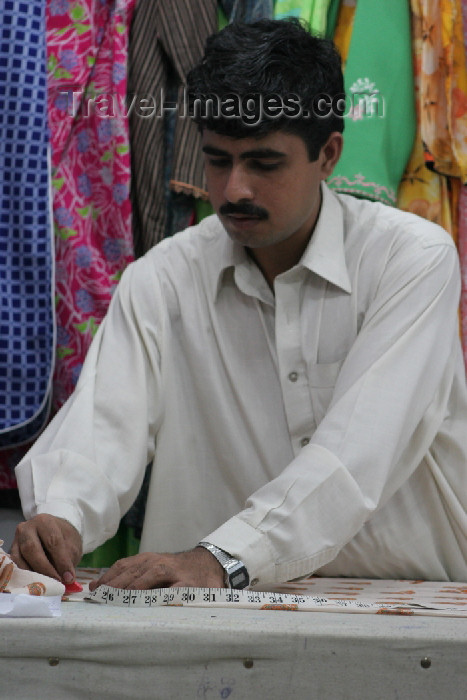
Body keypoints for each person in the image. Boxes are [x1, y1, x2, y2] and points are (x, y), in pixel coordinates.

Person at [10, 19, 467, 591]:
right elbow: (103, 428)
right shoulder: (162, 279)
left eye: (264, 163)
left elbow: (358, 452)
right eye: (217, 159)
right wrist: (62, 515)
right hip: (212, 626)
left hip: (415, 614)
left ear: (328, 155)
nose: (233, 190)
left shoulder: (411, 260)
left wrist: (219, 559)